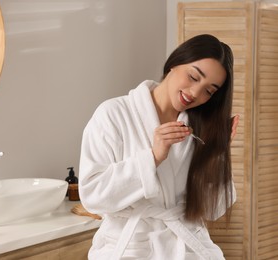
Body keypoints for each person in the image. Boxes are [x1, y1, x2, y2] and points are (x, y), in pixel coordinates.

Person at [79, 34, 240, 260]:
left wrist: (217, 155)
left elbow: (214, 210)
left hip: (187, 247)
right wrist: (152, 158)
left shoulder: (199, 128)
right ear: (174, 62)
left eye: (209, 91)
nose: (195, 93)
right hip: (130, 247)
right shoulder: (113, 114)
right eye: (193, 76)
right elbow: (93, 196)